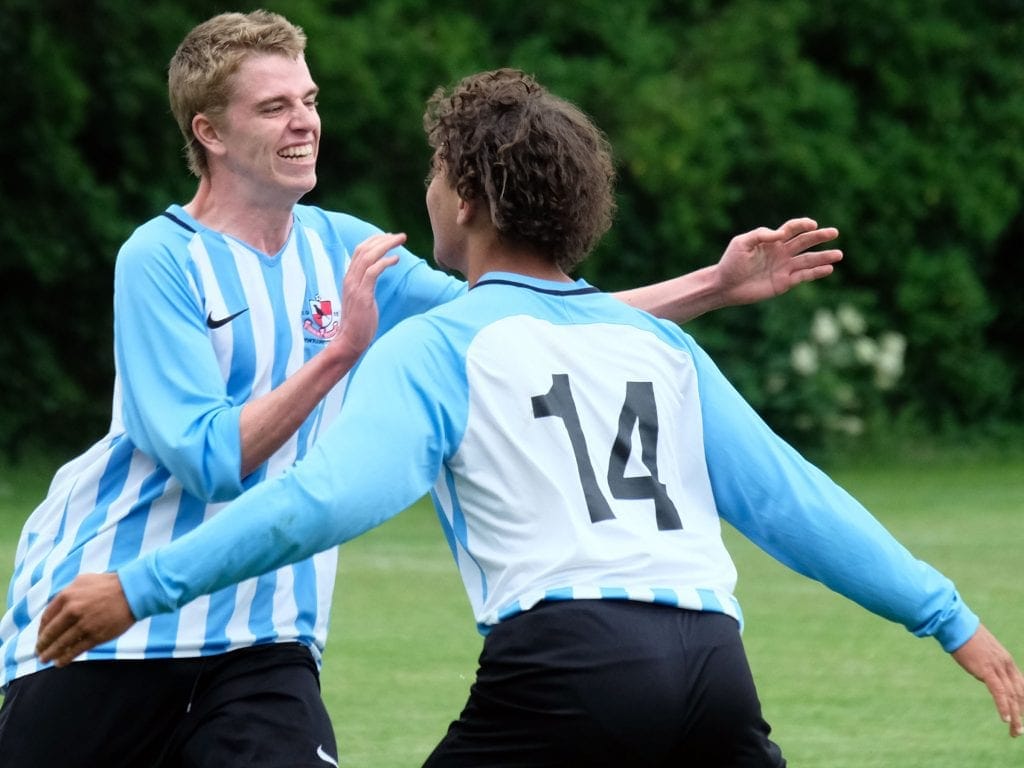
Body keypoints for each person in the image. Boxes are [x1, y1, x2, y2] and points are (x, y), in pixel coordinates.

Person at [36, 67, 1023, 767]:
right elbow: (790, 501)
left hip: (569, 670)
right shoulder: (655, 346)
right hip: (715, 671)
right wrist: (951, 620)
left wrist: (139, 586)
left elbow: (323, 501)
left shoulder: (441, 344)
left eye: (434, 171)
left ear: (464, 199)